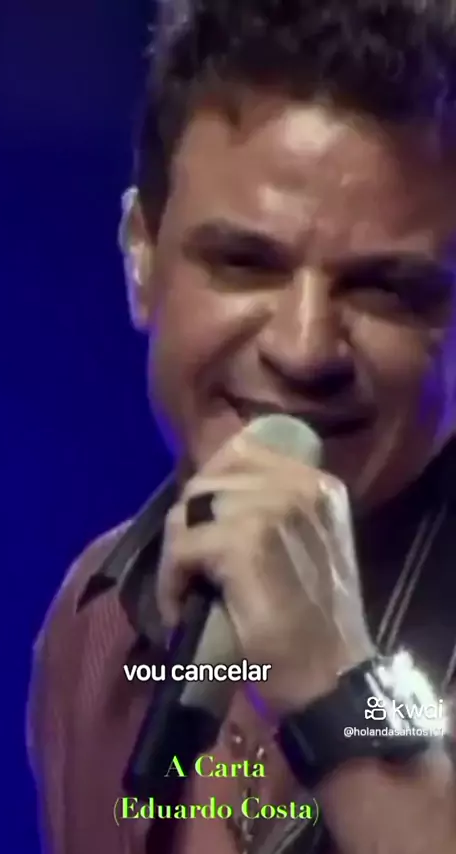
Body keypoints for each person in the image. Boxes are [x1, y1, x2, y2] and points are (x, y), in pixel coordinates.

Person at [27, 1, 456, 852]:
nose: (304, 348)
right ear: (140, 257)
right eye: (244, 262)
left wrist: (336, 684)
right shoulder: (95, 623)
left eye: (386, 287)